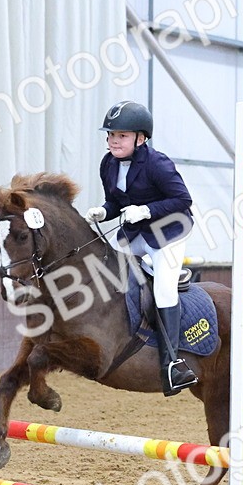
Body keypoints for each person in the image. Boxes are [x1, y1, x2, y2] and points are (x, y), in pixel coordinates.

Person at [85, 101, 198, 396]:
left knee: (163, 289)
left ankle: (173, 363)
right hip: (136, 231)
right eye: (110, 135)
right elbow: (115, 202)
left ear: (141, 137)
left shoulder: (157, 164)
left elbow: (183, 200)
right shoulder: (107, 163)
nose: (113, 141)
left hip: (169, 231)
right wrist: (103, 211)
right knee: (106, 266)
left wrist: (147, 210)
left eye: (121, 136)